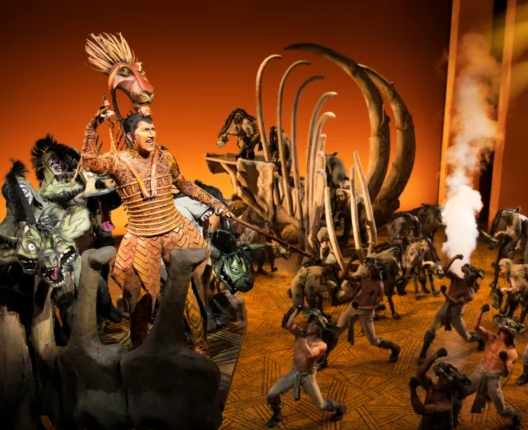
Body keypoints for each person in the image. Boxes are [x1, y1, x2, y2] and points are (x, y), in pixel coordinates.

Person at [81, 100, 231, 351]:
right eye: (145, 130)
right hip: (141, 237)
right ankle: (139, 346)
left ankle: (200, 344)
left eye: (153, 129)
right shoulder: (117, 161)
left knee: (187, 288)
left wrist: (215, 203)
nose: (151, 134)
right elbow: (89, 163)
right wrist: (93, 126)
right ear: (130, 136)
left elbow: (185, 185)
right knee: (139, 295)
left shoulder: (165, 157)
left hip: (175, 230)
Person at [265, 305, 346, 427]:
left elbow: (310, 354)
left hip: (307, 376)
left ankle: (339, 407)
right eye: (311, 322)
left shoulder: (321, 345)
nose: (311, 325)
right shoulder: (301, 334)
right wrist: (297, 310)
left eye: (315, 324)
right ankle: (277, 414)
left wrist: (302, 338)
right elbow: (289, 325)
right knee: (272, 394)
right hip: (294, 372)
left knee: (321, 405)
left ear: (320, 329)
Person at [463, 306, 524, 430]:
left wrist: (503, 361)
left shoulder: (512, 353)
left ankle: (516, 416)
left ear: (511, 334)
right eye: (502, 330)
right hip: (480, 371)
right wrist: (480, 312)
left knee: (501, 409)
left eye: (506, 332)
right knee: (463, 391)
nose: (503, 333)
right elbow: (476, 327)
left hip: (493, 378)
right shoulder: (491, 338)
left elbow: (505, 374)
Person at [417, 255, 484, 364]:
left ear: (473, 278)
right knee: (431, 331)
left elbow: (455, 302)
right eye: (465, 273)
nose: (465, 276)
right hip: (444, 309)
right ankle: (423, 353)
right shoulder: (457, 280)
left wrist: (444, 293)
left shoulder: (470, 293)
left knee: (467, 337)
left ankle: (480, 339)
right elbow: (444, 269)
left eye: (467, 274)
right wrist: (455, 257)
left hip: (456, 315)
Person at [335, 257, 401, 362]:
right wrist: (350, 262)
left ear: (378, 272)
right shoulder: (363, 278)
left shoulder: (378, 286)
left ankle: (395, 348)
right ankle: (324, 358)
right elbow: (345, 276)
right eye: (369, 269)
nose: (370, 272)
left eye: (373, 270)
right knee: (337, 330)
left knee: (373, 341)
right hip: (354, 307)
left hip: (365, 313)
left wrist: (359, 307)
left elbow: (373, 306)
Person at [409, 347, 470, 429]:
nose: (439, 380)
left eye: (443, 380)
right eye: (440, 377)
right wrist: (436, 355)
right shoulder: (432, 387)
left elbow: (421, 410)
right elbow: (419, 373)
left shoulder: (446, 404)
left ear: (449, 386)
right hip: (424, 425)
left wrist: (412, 389)